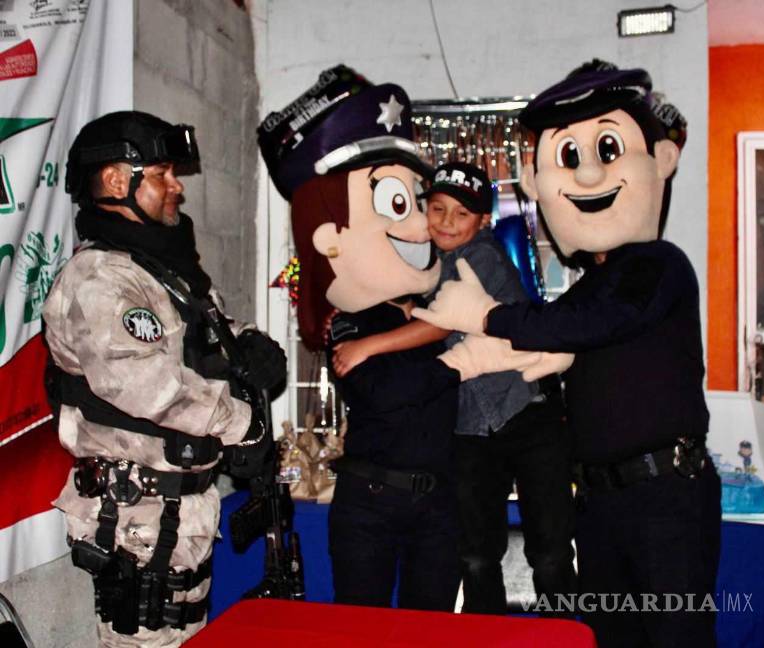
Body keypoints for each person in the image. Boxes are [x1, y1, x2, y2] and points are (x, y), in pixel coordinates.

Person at [413, 61, 721, 647]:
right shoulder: (590, 284)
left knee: (676, 635)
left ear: (659, 161)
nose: (588, 174)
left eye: (606, 150)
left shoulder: (659, 264)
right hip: (602, 503)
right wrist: (490, 353)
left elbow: (589, 324)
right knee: (608, 636)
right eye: (569, 157)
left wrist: (485, 315)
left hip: (664, 497)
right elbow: (558, 335)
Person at [258, 65, 550, 611]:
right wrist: (463, 361)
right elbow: (385, 392)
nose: (427, 225)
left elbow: (479, 325)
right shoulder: (351, 318)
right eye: (425, 207)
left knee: (433, 627)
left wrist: (465, 345)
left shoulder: (443, 288)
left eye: (422, 204)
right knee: (364, 629)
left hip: (441, 498)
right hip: (371, 499)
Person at [43, 110, 286, 647]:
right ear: (115, 181)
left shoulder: (159, 268)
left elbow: (204, 331)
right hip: (134, 516)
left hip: (176, 511)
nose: (177, 186)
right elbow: (148, 385)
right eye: (162, 174)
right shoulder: (100, 278)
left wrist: (251, 345)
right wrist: (243, 424)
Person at [331, 161, 577, 615]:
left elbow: (444, 321)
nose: (446, 222)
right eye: (438, 209)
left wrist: (369, 344)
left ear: (483, 221)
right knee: (477, 556)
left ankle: (564, 635)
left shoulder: (477, 255)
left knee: (550, 552)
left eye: (461, 213)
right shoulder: (422, 270)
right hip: (469, 430)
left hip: (526, 413)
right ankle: (485, 638)